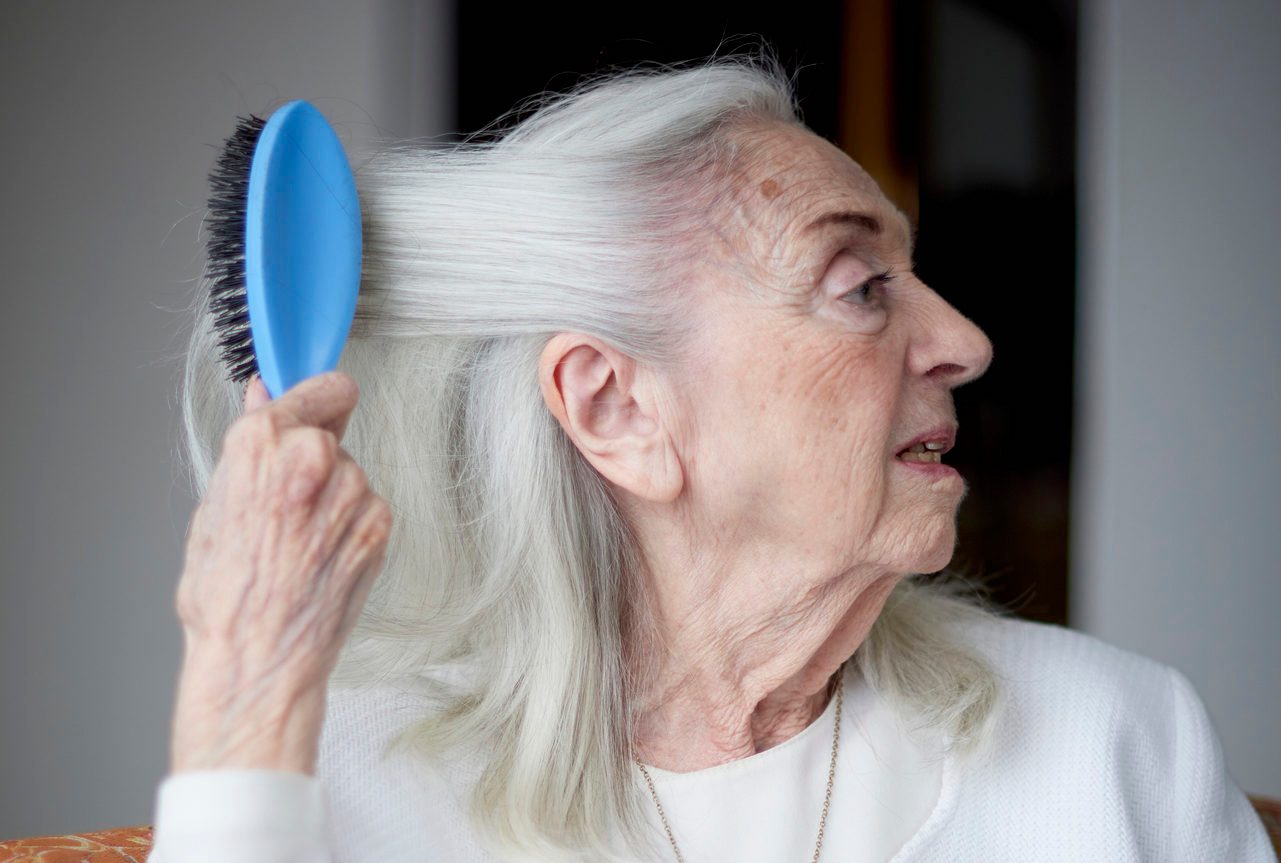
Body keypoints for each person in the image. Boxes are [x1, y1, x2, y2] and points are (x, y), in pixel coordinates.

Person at [149, 53, 1276, 862]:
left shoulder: (1114, 741)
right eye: (861, 286)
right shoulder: (332, 769)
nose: (966, 342)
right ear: (617, 406)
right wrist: (243, 704)